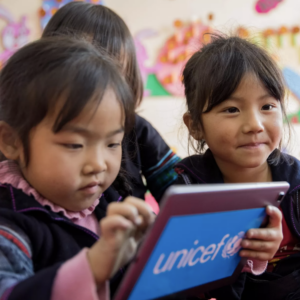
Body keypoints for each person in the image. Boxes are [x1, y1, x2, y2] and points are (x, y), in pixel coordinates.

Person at [0, 37, 154, 300]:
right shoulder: (9, 223)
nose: (98, 164)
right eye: (74, 145)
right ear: (11, 141)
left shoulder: (107, 201)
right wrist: (92, 268)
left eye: (113, 143)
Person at [175, 35, 291, 300]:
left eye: (267, 106)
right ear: (195, 126)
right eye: (231, 109)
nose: (255, 124)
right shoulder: (186, 189)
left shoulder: (296, 183)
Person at [42, 2, 181, 203]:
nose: (99, 85)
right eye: (74, 145)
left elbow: (178, 189)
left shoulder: (136, 127)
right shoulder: (38, 131)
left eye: (113, 74)